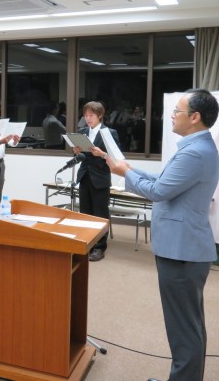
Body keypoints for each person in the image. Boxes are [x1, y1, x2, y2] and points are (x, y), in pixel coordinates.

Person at [102, 89, 219, 381]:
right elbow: (166, 181)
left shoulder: (194, 152)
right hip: (184, 248)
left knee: (184, 329)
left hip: (182, 251)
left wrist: (124, 173)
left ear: (195, 117)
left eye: (177, 111)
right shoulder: (198, 147)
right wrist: (130, 169)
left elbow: (158, 191)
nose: (172, 115)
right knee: (189, 325)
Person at [73, 101, 119, 262]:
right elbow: (80, 157)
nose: (87, 118)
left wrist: (102, 154)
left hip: (100, 177)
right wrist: (76, 152)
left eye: (91, 115)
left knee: (100, 213)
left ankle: (100, 247)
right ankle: (87, 244)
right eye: (85, 115)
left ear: (100, 115)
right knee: (85, 212)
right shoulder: (82, 132)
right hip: (85, 176)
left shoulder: (109, 133)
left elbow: (116, 157)